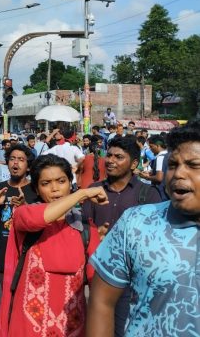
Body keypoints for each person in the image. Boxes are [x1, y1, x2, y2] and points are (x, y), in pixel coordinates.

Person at [86, 121, 200, 336]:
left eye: (193, 165)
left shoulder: (146, 193)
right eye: (173, 165)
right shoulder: (136, 222)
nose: (178, 174)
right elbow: (101, 301)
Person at [0, 154, 105, 337]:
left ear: (69, 183)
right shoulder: (25, 214)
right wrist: (82, 193)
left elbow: (97, 284)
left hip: (72, 326)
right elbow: (37, 219)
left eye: (61, 181)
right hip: (27, 326)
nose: (55, 189)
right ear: (37, 190)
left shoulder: (86, 228)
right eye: (45, 183)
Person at [83, 135, 161, 336]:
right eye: (109, 155)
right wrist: (94, 235)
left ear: (134, 163)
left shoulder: (148, 194)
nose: (110, 160)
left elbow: (154, 239)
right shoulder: (93, 191)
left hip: (134, 282)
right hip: (99, 277)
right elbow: (83, 228)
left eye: (119, 157)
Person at [0, 144, 37, 286]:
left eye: (21, 159)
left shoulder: (35, 190)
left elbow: (39, 222)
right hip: (4, 252)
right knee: (7, 300)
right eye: (12, 158)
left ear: (28, 166)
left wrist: (24, 206)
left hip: (29, 253)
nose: (15, 162)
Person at [139, 134, 168, 200]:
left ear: (158, 146)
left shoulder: (160, 157)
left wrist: (146, 177)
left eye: (151, 146)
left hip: (161, 192)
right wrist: (150, 172)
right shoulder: (168, 155)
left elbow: (159, 178)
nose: (150, 149)